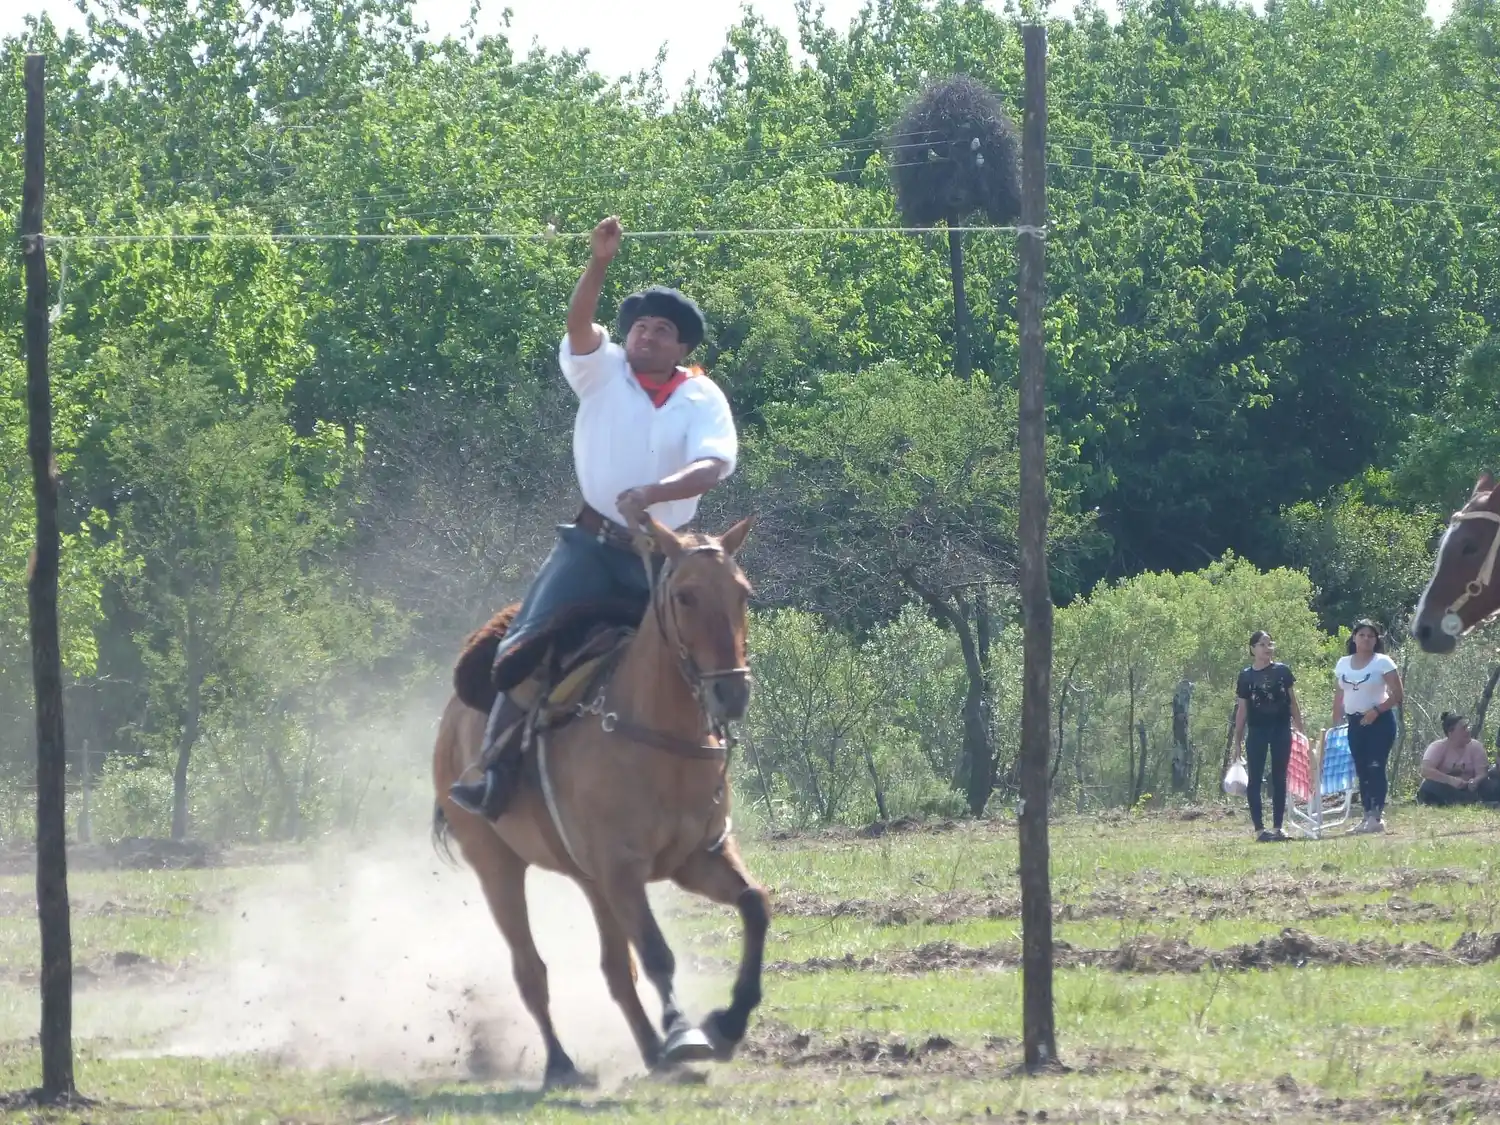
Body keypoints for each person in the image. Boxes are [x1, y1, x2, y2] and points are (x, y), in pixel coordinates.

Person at [448, 215, 739, 821]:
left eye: (662, 330)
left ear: (682, 349)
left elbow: (714, 465)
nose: (647, 336)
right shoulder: (602, 370)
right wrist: (599, 261)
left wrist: (654, 491)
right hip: (591, 548)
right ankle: (494, 770)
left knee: (709, 651)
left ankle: (707, 783)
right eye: (640, 327)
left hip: (664, 557)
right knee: (520, 649)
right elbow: (579, 326)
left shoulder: (701, 396)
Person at [1331, 619, 1405, 834]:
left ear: (1376, 640)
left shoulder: (1382, 662)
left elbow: (1398, 694)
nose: (1365, 639)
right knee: (1361, 768)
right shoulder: (1343, 663)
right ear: (1354, 637)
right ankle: (1366, 815)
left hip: (1379, 722)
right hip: (1355, 722)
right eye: (1361, 635)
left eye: (1370, 636)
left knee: (1375, 766)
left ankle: (1376, 816)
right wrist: (1336, 721)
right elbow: (1339, 695)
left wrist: (1377, 711)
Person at [1232, 631, 1305, 841]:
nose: (1267, 648)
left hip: (1281, 728)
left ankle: (1278, 827)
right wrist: (1238, 739)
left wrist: (1300, 728)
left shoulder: (1282, 671)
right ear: (1252, 649)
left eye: (1269, 644)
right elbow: (1242, 710)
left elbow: (1292, 702)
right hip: (1257, 730)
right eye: (1262, 645)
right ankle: (1259, 829)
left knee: (1279, 777)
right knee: (1255, 778)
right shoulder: (1246, 676)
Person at [1417, 713, 1500, 806]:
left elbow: (1482, 773)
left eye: (1467, 727)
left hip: (1470, 789)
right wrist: (1450, 780)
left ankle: (1469, 802)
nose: (1468, 730)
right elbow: (1425, 770)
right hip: (1446, 788)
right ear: (1451, 733)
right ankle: (1473, 803)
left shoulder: (1476, 746)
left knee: (1493, 784)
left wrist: (1475, 781)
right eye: (1463, 728)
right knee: (1428, 786)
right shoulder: (1437, 747)